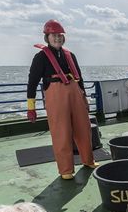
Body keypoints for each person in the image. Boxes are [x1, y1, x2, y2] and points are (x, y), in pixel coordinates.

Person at [26, 19, 97, 180]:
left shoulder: (70, 55)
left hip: (75, 92)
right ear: (47, 37)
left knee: (83, 127)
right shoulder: (40, 57)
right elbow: (32, 82)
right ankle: (66, 169)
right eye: (53, 35)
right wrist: (31, 106)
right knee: (61, 132)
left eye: (59, 35)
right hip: (55, 94)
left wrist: (84, 97)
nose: (57, 38)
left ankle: (88, 159)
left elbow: (80, 78)